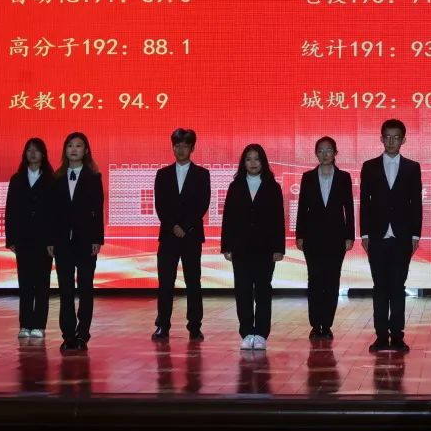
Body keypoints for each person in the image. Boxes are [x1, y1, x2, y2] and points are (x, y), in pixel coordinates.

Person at [360, 119, 422, 353]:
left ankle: (397, 335)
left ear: (403, 140)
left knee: (397, 287)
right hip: (376, 236)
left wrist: (415, 235)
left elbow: (416, 203)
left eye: (397, 137)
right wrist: (364, 233)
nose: (392, 141)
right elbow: (365, 203)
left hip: (403, 236)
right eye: (388, 137)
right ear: (381, 138)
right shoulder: (369, 166)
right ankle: (380, 336)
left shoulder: (412, 167)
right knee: (380, 287)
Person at [221, 144, 284, 351]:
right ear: (243, 163)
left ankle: (262, 334)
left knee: (263, 291)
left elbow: (278, 219)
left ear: (263, 162)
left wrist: (278, 248)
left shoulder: (273, 186)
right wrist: (226, 246)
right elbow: (228, 217)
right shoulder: (235, 186)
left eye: (257, 159)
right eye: (248, 159)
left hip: (265, 249)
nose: (253, 163)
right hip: (241, 248)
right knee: (243, 291)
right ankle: (247, 332)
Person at [152, 128, 211, 342]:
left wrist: (184, 226)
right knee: (165, 282)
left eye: (185, 146)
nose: (181, 150)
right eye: (177, 146)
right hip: (168, 236)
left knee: (193, 281)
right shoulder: (163, 174)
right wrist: (173, 226)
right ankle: (162, 325)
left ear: (192, 148)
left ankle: (195, 326)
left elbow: (202, 204)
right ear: (173, 147)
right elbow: (160, 205)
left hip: (191, 235)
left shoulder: (202, 174)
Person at [48, 132, 104, 352]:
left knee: (85, 288)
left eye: (78, 146)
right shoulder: (57, 177)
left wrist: (97, 239)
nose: (74, 149)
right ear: (65, 150)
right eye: (70, 145)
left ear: (86, 150)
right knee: (66, 290)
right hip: (62, 241)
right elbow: (51, 213)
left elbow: (97, 210)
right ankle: (68, 335)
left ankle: (82, 335)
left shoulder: (94, 177)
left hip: (86, 241)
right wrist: (51, 239)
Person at [296, 136, 355, 340]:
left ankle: (327, 324)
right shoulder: (308, 177)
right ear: (316, 154)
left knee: (331, 280)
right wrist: (300, 235)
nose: (325, 154)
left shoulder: (344, 177)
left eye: (328, 150)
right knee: (314, 280)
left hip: (336, 238)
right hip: (312, 237)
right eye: (320, 151)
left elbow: (349, 208)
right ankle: (315, 324)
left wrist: (349, 236)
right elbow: (302, 208)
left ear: (335, 153)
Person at [5, 137, 54, 341]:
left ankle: (39, 325)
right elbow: (10, 210)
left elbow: (56, 213)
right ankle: (25, 324)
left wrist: (53, 240)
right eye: (29, 150)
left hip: (44, 240)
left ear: (43, 154)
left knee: (42, 283)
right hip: (23, 238)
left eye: (36, 150)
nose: (32, 154)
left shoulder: (51, 179)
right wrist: (11, 239)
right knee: (25, 283)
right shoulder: (17, 179)